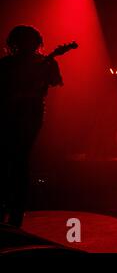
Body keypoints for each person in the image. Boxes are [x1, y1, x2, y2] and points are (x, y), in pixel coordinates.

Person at [0, 25, 63, 227]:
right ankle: (12, 208)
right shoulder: (6, 64)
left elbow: (55, 83)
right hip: (12, 112)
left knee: (18, 158)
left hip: (29, 112)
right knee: (14, 159)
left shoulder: (43, 63)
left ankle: (15, 209)